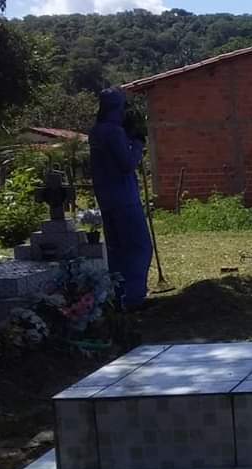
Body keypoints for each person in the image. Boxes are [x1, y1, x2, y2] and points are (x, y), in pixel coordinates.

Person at [89, 87, 152, 308]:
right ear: (116, 108)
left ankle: (117, 295)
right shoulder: (114, 132)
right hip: (125, 199)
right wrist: (137, 144)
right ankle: (134, 297)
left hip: (106, 199)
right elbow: (126, 164)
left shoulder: (96, 131)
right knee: (139, 247)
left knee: (116, 250)